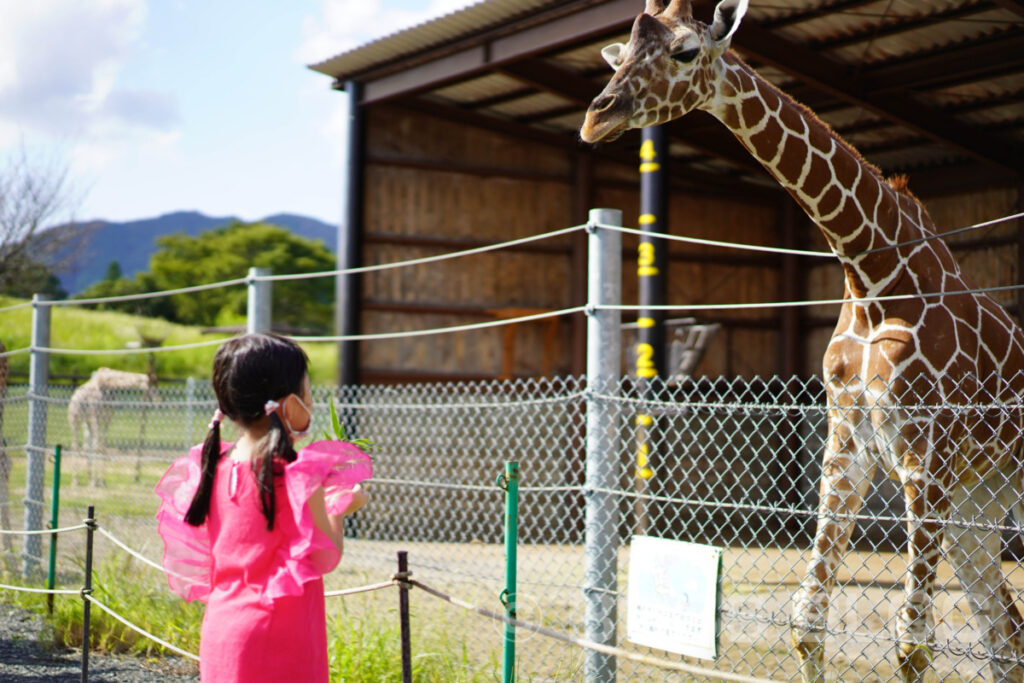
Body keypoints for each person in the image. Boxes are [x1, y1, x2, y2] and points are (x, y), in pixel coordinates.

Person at [155, 333, 371, 682]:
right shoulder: (299, 472)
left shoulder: (214, 465)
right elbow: (324, 557)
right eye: (308, 394)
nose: (312, 403)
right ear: (288, 405)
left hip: (222, 633)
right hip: (281, 639)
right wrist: (341, 507)